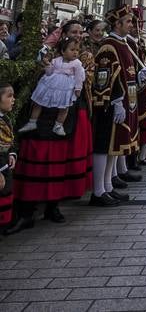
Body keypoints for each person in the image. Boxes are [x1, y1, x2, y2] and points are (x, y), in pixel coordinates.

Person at [10, 19, 92, 232]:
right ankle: (26, 212)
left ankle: (52, 206)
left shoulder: (78, 60)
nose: (78, 35)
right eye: (73, 32)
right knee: (35, 160)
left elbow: (81, 86)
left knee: (57, 161)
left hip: (63, 116)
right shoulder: (46, 55)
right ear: (62, 35)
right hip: (40, 115)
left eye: (80, 32)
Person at [90, 5, 146, 207]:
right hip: (112, 104)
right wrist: (115, 101)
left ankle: (107, 186)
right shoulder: (109, 45)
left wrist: (140, 78)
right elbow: (105, 76)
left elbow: (127, 72)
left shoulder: (123, 43)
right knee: (104, 145)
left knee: (114, 147)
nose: (132, 25)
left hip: (127, 101)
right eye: (128, 21)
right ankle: (98, 191)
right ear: (117, 23)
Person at [19, 37, 85, 137]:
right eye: (72, 50)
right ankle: (32, 122)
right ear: (63, 51)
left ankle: (58, 125)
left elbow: (79, 77)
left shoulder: (77, 64)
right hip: (50, 85)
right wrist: (47, 65)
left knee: (64, 107)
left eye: (77, 50)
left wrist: (78, 88)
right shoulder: (56, 60)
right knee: (38, 102)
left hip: (65, 87)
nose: (75, 53)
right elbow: (49, 73)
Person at [0, 82, 17, 233]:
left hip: (5, 166)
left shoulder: (5, 119)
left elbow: (9, 141)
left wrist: (11, 153)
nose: (13, 99)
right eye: (9, 96)